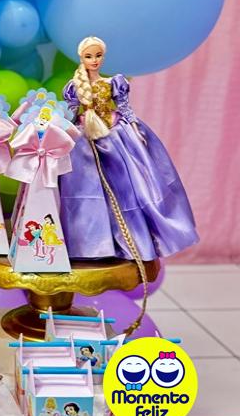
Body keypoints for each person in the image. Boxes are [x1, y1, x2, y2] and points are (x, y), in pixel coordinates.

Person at [59, 36, 198, 260]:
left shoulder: (114, 82)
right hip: (86, 140)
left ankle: (131, 240)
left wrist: (134, 129)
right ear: (81, 58)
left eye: (98, 55)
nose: (94, 60)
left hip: (115, 135)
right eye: (89, 56)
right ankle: (93, 244)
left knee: (126, 185)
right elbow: (70, 114)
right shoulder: (74, 87)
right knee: (88, 187)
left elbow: (125, 108)